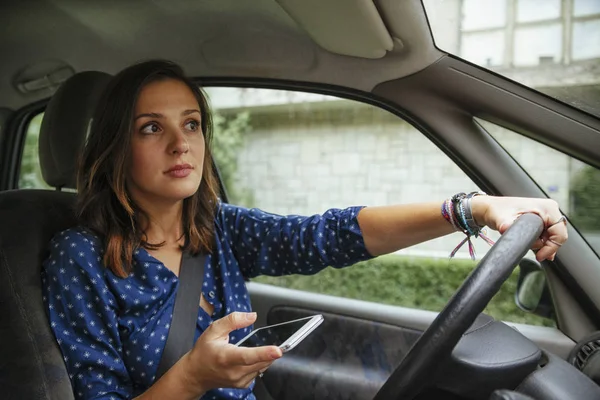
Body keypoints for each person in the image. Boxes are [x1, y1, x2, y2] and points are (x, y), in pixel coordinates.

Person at [41, 60, 568, 400]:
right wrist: (192, 378)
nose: (181, 144)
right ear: (115, 146)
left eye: (192, 123)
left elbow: (326, 234)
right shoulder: (79, 257)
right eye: (152, 128)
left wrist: (470, 208)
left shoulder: (217, 227)